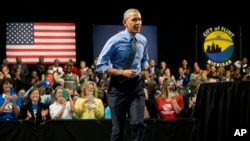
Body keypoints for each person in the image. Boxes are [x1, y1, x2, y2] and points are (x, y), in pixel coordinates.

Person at [95, 8, 149, 141]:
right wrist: (122, 72)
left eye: (140, 19)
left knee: (138, 124)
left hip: (136, 87)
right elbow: (100, 66)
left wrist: (145, 69)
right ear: (125, 22)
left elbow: (144, 59)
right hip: (117, 88)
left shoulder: (142, 39)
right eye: (134, 20)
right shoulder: (114, 40)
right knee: (118, 130)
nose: (138, 23)